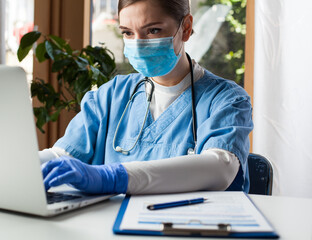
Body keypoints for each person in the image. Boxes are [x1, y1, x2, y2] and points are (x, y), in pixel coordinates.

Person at [40, 0, 253, 195]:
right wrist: (22, 168)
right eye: (127, 33)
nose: (138, 44)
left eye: (153, 30)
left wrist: (113, 178)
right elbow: (62, 156)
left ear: (186, 28)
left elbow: (219, 167)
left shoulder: (226, 100)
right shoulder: (112, 95)